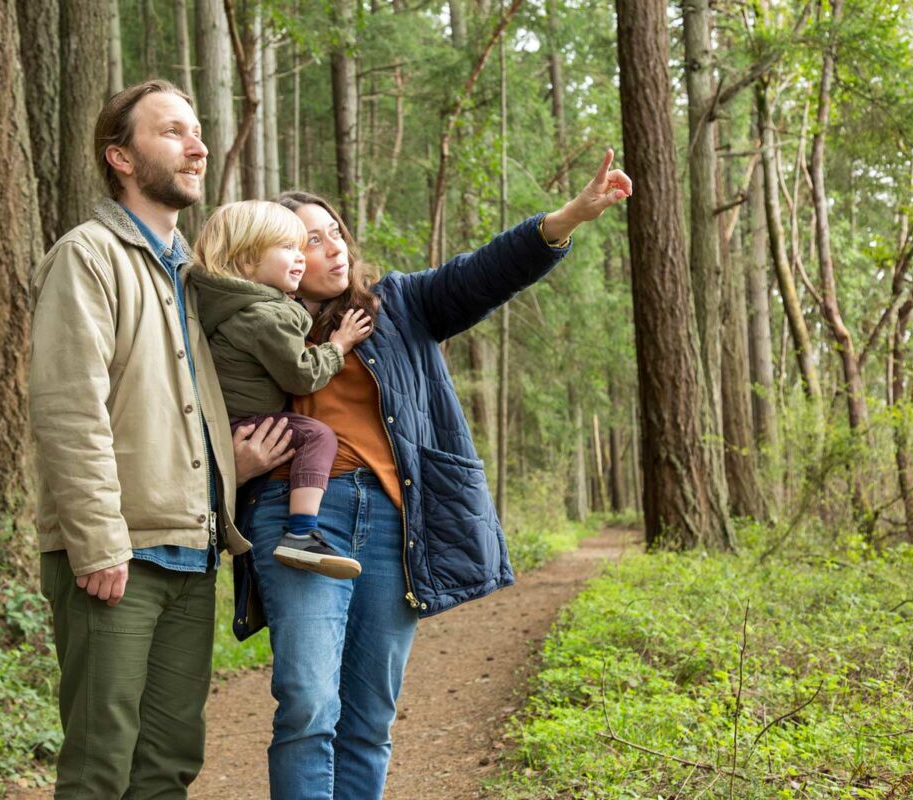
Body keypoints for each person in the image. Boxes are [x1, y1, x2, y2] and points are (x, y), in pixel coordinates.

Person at [238, 150, 631, 799]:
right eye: (312, 239)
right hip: (296, 520)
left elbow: (482, 273)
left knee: (369, 716)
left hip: (393, 522)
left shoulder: (398, 305)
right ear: (279, 255)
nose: (334, 248)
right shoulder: (249, 324)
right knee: (307, 702)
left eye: (336, 232)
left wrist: (567, 218)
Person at [28, 79, 290, 799]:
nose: (196, 146)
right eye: (173, 131)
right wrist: (97, 542)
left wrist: (225, 470)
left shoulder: (191, 278)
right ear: (120, 156)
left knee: (169, 763)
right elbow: (69, 408)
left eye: (197, 131)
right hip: (119, 555)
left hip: (192, 549)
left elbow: (177, 403)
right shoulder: (88, 256)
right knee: (101, 766)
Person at [190, 200, 374, 579]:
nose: (300, 257)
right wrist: (338, 346)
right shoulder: (265, 317)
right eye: (290, 247)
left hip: (228, 424)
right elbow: (301, 375)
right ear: (247, 263)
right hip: (246, 426)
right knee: (318, 437)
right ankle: (301, 532)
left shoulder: (234, 305)